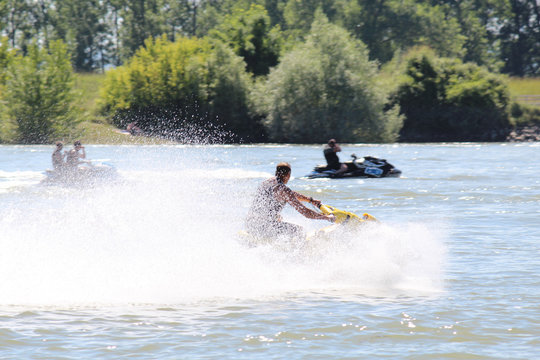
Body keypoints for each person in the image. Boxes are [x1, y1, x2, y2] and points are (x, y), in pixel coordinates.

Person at [246, 162, 335, 240]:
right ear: (288, 175)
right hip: (263, 227)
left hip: (251, 224)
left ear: (276, 172)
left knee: (279, 221)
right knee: (299, 231)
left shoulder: (267, 182)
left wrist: (310, 200)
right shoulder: (283, 189)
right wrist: (327, 217)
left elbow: (291, 194)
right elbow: (305, 212)